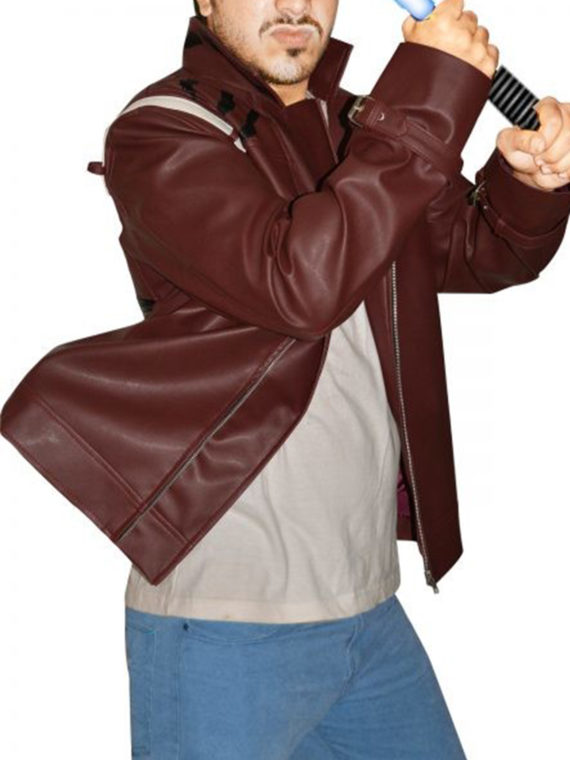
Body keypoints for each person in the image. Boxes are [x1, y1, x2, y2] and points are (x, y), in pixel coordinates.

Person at [99, 0, 570, 757]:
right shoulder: (162, 133)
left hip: (367, 609)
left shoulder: (358, 128)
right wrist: (432, 84)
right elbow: (299, 282)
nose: (294, 5)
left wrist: (527, 182)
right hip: (223, 623)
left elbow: (477, 250)